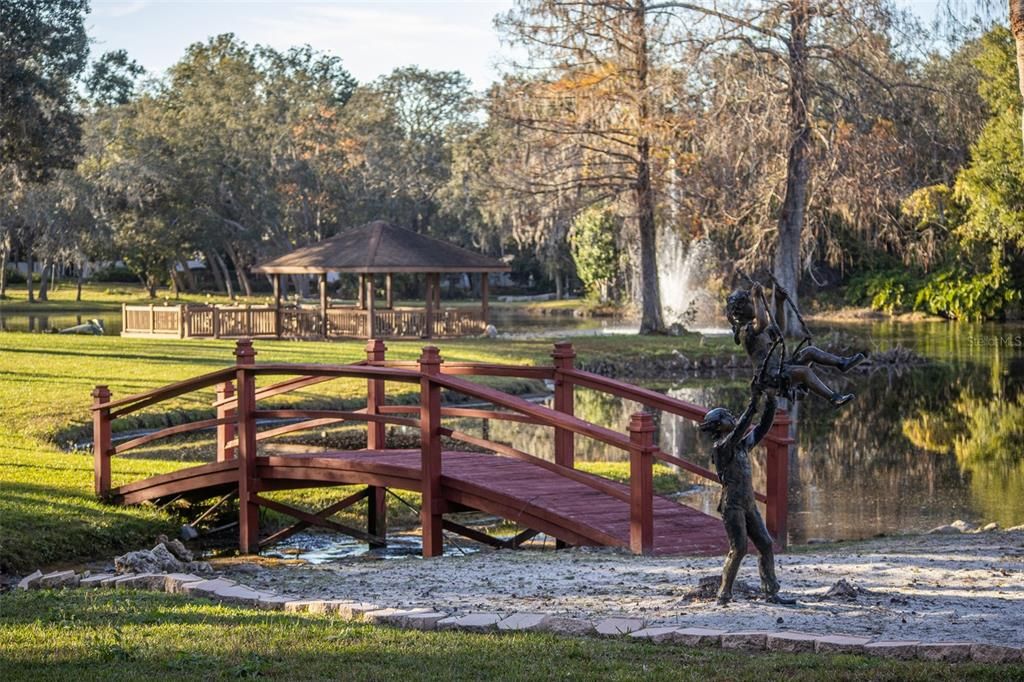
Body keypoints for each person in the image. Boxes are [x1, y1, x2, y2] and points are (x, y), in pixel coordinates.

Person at [700, 381, 795, 605]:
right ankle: (724, 594)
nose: (731, 417)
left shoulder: (741, 446)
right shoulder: (722, 448)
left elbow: (761, 428)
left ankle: (771, 591)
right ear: (717, 426)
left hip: (748, 503)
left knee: (766, 544)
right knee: (739, 548)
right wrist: (753, 401)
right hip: (732, 505)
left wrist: (770, 400)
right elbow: (743, 427)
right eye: (726, 416)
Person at [726, 282, 864, 406]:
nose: (754, 306)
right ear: (742, 309)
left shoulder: (757, 330)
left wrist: (780, 302)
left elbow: (779, 329)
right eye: (751, 303)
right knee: (804, 372)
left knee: (809, 351)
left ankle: (842, 363)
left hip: (779, 369)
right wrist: (756, 298)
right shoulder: (745, 332)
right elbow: (763, 322)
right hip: (768, 377)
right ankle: (833, 398)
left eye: (753, 302)